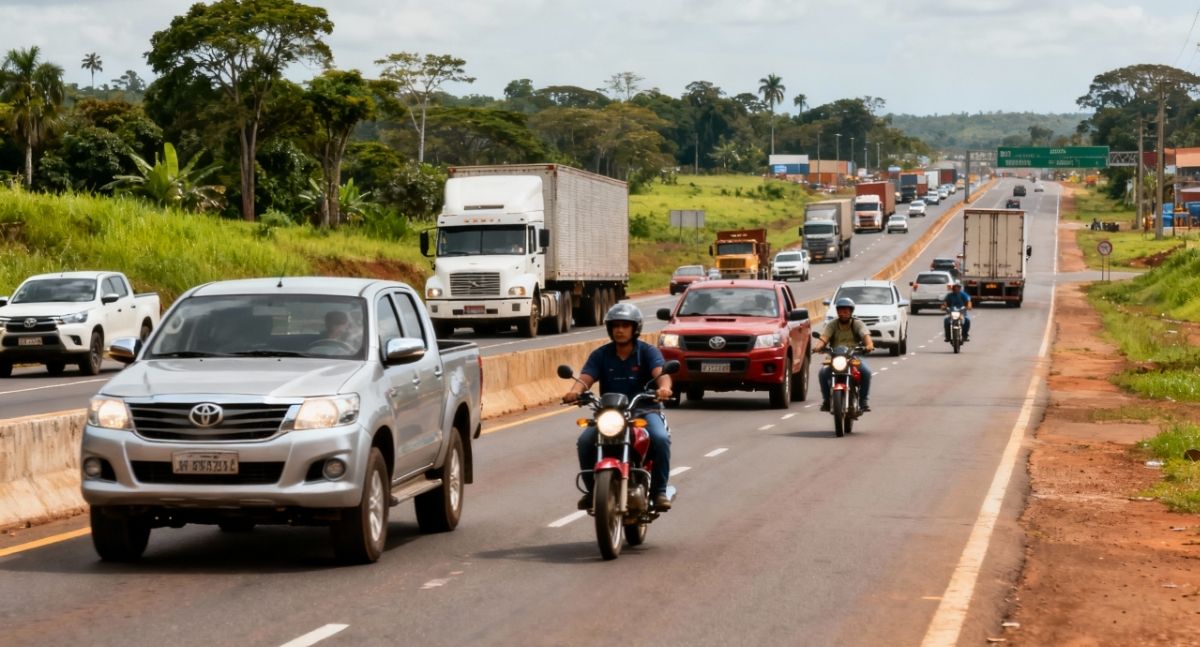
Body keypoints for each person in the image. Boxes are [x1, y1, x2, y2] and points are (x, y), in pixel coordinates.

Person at [563, 303, 674, 511]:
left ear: (635, 328)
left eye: (625, 325)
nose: (619, 330)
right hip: (610, 413)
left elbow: (662, 374)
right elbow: (586, 378)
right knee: (585, 441)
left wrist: (664, 388)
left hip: (644, 410)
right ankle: (592, 491)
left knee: (659, 438)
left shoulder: (647, 352)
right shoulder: (601, 354)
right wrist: (575, 391)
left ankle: (659, 492)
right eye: (615, 326)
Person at [813, 297, 874, 412]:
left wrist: (869, 345)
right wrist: (818, 346)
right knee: (822, 373)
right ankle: (826, 401)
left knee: (866, 372)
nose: (843, 314)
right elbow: (824, 338)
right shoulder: (832, 324)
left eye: (846, 311)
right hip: (835, 357)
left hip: (853, 356)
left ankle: (863, 401)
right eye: (840, 311)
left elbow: (866, 337)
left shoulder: (857, 324)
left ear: (851, 312)